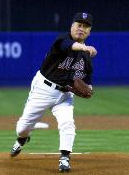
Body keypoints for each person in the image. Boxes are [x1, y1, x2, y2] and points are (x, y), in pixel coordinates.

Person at [10, 12, 97, 173]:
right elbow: (68, 46)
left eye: (85, 27)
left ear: (89, 32)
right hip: (43, 89)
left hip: (65, 94)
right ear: (72, 27)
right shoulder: (62, 40)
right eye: (78, 25)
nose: (81, 29)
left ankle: (64, 158)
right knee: (22, 127)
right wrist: (85, 47)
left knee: (67, 123)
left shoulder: (86, 55)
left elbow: (88, 73)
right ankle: (22, 139)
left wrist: (89, 87)